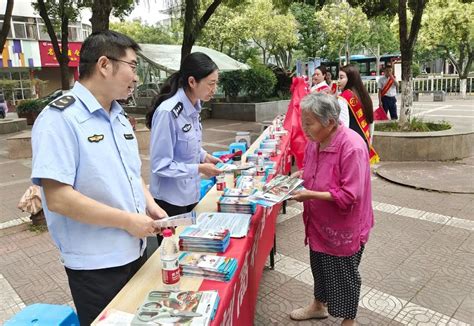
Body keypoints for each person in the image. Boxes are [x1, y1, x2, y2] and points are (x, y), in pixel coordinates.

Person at [31, 31, 167, 325]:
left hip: (136, 249)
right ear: (104, 64)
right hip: (96, 265)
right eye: (132, 66)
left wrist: (150, 204)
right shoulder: (59, 119)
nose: (136, 76)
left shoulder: (118, 116)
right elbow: (58, 198)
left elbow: (131, 174)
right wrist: (129, 221)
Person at [289, 92, 374, 326]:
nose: (304, 129)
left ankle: (349, 320)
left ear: (330, 122)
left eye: (309, 123)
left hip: (343, 226)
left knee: (343, 274)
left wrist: (309, 194)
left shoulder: (352, 147)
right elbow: (312, 169)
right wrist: (299, 177)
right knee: (319, 264)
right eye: (303, 122)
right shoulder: (315, 141)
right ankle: (318, 305)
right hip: (318, 221)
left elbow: (350, 195)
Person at [146, 52, 222, 220]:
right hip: (169, 201)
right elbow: (160, 165)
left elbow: (187, 142)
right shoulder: (168, 112)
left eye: (216, 83)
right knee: (173, 245)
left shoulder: (195, 106)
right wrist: (199, 168)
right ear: (192, 82)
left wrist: (204, 156)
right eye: (211, 84)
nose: (214, 89)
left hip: (190, 193)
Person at [338, 64, 379, 163]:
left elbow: (344, 127)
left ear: (350, 79)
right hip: (364, 143)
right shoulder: (364, 96)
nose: (338, 81)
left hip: (350, 146)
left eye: (341, 77)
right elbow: (371, 121)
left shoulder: (343, 98)